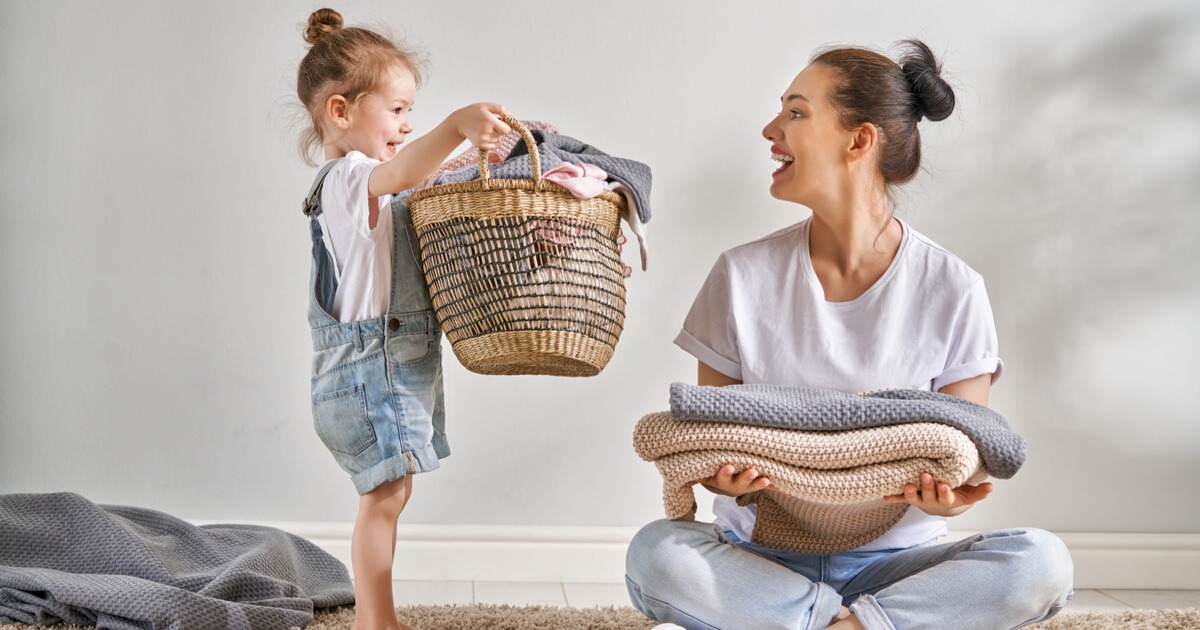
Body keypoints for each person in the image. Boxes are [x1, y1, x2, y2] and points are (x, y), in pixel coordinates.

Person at [625, 40, 1074, 630]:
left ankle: (836, 622)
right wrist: (716, 474)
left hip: (900, 564)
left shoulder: (953, 286)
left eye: (795, 112)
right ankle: (859, 625)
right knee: (657, 553)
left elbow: (965, 450)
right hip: (760, 560)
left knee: (1040, 563)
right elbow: (714, 430)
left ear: (858, 140)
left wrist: (953, 489)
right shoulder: (740, 274)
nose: (770, 128)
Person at [295, 9, 510, 630]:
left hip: (387, 366)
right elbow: (405, 170)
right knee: (383, 498)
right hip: (368, 371)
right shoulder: (348, 178)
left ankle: (375, 616)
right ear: (341, 112)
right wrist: (456, 126)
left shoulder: (371, 190)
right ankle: (375, 619)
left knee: (390, 495)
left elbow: (415, 197)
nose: (408, 123)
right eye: (396, 110)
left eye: (411, 111)